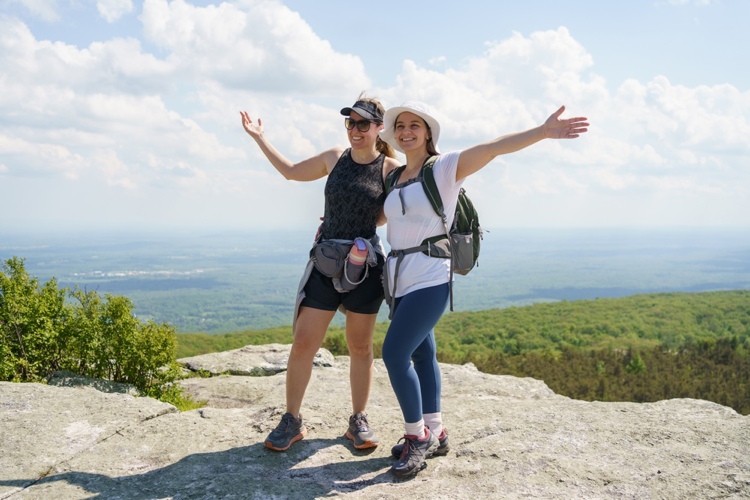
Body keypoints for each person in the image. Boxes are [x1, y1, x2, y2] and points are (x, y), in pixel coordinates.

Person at [378, 101, 589, 477]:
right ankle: (437, 431)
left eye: (415, 125)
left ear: (428, 133)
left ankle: (416, 437)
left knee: (395, 354)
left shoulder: (441, 169)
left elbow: (492, 148)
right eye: (400, 126)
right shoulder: (395, 179)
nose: (406, 131)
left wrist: (541, 131)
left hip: (430, 276)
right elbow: (382, 217)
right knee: (423, 355)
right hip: (400, 278)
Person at [240, 94, 401, 452]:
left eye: (363, 124)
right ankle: (292, 420)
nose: (355, 130)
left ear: (378, 128)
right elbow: (292, 172)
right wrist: (259, 137)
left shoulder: (391, 169)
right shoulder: (334, 158)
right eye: (350, 123)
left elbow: (395, 211)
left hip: (364, 266)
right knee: (303, 343)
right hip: (327, 262)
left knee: (360, 346)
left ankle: (358, 420)